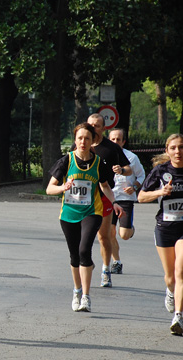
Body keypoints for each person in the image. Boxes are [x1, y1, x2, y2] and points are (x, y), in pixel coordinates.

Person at [138, 134, 183, 336]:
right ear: (167, 150)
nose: (177, 151)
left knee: (181, 271)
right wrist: (159, 193)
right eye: (173, 148)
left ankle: (178, 316)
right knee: (170, 277)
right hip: (164, 228)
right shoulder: (160, 171)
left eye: (181, 147)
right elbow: (141, 196)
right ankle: (170, 291)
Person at [47, 122, 123, 312]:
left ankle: (87, 297)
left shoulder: (99, 163)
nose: (83, 141)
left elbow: (105, 186)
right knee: (75, 255)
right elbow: (50, 188)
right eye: (80, 138)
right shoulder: (66, 161)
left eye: (87, 138)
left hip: (91, 212)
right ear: (75, 140)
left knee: (84, 250)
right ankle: (77, 291)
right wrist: (62, 188)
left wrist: (114, 202)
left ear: (93, 141)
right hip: (69, 214)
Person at [86, 114, 132, 288]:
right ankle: (86, 263)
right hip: (83, 199)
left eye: (97, 125)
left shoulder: (111, 148)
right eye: (90, 124)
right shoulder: (81, 143)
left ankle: (106, 270)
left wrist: (121, 169)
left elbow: (129, 169)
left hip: (104, 196)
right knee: (84, 237)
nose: (93, 128)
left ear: (103, 128)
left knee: (103, 236)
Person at [108, 128, 146, 274]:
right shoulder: (105, 155)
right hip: (110, 198)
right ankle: (116, 262)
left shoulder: (132, 158)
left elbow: (141, 176)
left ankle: (130, 229)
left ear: (123, 141)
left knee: (124, 235)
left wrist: (134, 187)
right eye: (112, 139)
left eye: (118, 139)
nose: (115, 142)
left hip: (125, 199)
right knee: (110, 233)